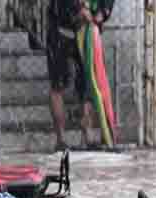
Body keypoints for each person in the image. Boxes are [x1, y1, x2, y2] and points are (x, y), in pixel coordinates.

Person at [47, 0, 114, 152]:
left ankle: (87, 136)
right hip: (61, 28)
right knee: (57, 84)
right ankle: (61, 140)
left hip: (88, 30)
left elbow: (107, 4)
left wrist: (102, 13)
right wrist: (78, 10)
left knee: (88, 82)